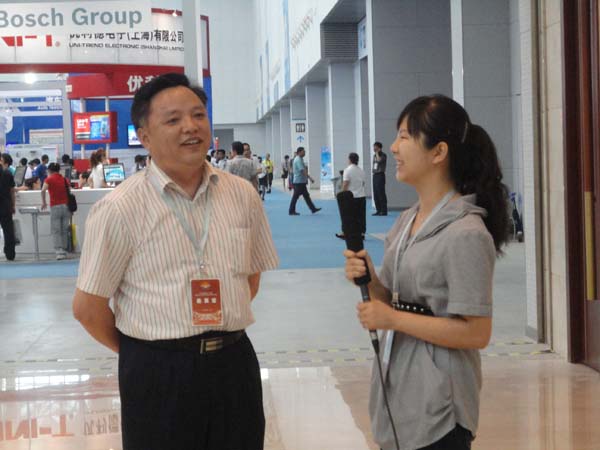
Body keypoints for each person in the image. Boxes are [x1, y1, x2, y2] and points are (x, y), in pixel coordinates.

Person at [72, 73, 279, 450]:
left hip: (234, 364)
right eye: (173, 119)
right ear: (145, 136)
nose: (191, 127)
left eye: (198, 115)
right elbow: (88, 308)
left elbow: (250, 278)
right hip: (157, 372)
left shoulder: (242, 195)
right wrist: (148, 351)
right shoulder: (119, 208)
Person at [343, 95, 509, 450]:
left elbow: (476, 332)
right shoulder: (407, 221)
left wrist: (392, 319)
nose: (394, 147)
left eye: (405, 136)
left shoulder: (466, 233)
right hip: (400, 395)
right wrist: (371, 279)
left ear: (438, 152)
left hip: (441, 410)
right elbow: (395, 299)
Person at [41, 162, 72, 260]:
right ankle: (64, 249)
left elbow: (43, 190)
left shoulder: (49, 179)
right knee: (64, 229)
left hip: (55, 206)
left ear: (49, 170)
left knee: (56, 230)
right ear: (59, 170)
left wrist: (44, 202)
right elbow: (69, 191)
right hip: (66, 207)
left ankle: (59, 251)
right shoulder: (65, 179)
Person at [336, 152, 366, 240]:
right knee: (361, 216)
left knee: (348, 216)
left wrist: (341, 194)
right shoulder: (361, 170)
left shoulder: (347, 170)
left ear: (349, 160)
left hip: (351, 197)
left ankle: (345, 232)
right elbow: (363, 183)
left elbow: (345, 184)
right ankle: (361, 233)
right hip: (361, 196)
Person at [288, 146, 321, 215]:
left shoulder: (300, 159)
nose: (305, 153)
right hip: (298, 182)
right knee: (295, 197)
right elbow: (302, 170)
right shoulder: (298, 160)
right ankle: (291, 211)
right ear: (299, 152)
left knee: (306, 196)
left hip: (301, 182)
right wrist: (310, 178)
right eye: (303, 151)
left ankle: (313, 209)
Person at [0, 153, 16, 261]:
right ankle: (10, 254)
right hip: (5, 205)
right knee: (8, 230)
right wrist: (13, 205)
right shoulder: (7, 173)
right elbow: (12, 191)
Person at [372, 141, 388, 216]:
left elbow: (379, 161)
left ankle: (384, 211)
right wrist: (376, 154)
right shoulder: (374, 155)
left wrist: (377, 153)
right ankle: (378, 210)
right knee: (375, 193)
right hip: (375, 175)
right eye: (373, 147)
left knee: (381, 193)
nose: (374, 148)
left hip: (380, 175)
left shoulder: (383, 155)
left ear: (379, 148)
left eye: (375, 147)